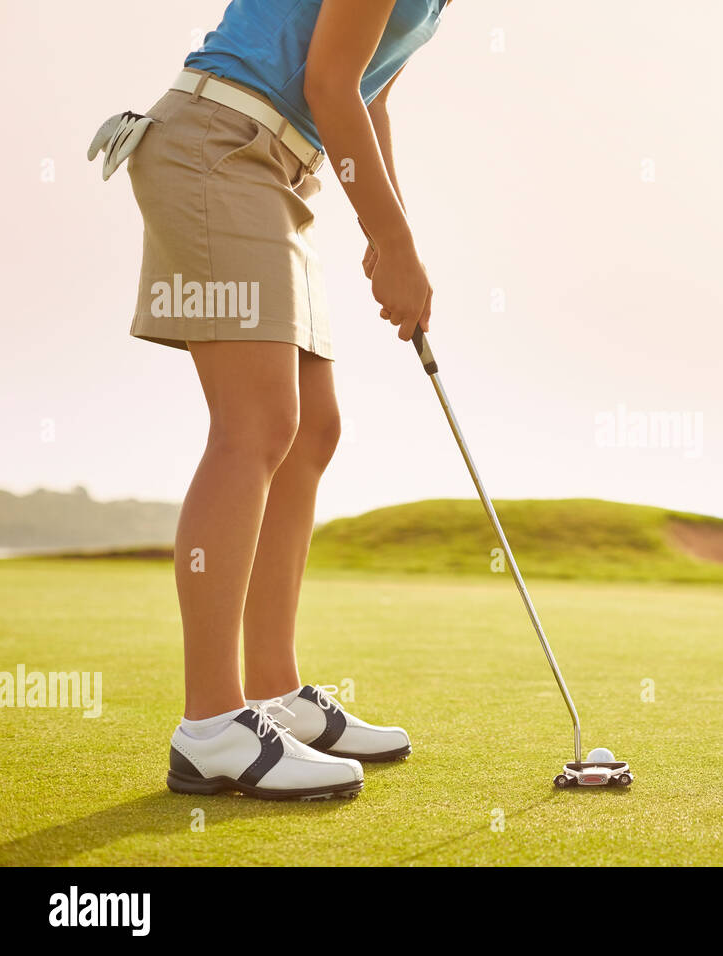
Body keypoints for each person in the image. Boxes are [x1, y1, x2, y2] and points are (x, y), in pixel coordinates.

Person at [107, 0, 453, 800]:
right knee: (256, 423)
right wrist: (393, 246)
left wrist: (389, 232)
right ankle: (210, 728)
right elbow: (328, 85)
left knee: (311, 431)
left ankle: (272, 695)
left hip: (273, 164)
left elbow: (368, 98)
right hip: (216, 145)